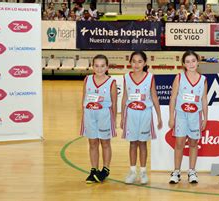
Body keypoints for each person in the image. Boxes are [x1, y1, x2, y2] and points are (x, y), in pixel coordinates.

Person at [122, 51, 163, 185]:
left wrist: (159, 115)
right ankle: (133, 171)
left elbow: (154, 96)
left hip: (145, 113)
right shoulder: (126, 77)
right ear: (130, 63)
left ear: (145, 63)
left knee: (143, 143)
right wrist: (122, 117)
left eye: (140, 61)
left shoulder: (150, 77)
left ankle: (144, 172)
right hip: (131, 114)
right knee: (133, 143)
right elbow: (124, 97)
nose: (136, 64)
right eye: (134, 61)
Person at [168, 51, 208, 184]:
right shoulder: (179, 77)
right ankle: (176, 171)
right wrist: (171, 117)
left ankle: (192, 171)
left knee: (193, 143)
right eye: (188, 61)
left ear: (198, 62)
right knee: (179, 143)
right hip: (181, 114)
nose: (191, 64)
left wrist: (205, 118)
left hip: (195, 115)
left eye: (193, 61)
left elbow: (203, 100)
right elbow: (173, 97)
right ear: (184, 64)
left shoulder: (203, 80)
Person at [80, 55, 117, 184]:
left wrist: (114, 119)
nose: (99, 68)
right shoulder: (87, 79)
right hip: (90, 114)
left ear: (107, 67)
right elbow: (84, 98)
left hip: (104, 115)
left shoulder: (111, 82)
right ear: (92, 66)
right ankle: (93, 169)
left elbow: (114, 102)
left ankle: (105, 169)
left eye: (102, 66)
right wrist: (83, 113)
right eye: (96, 65)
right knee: (92, 143)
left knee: (105, 143)